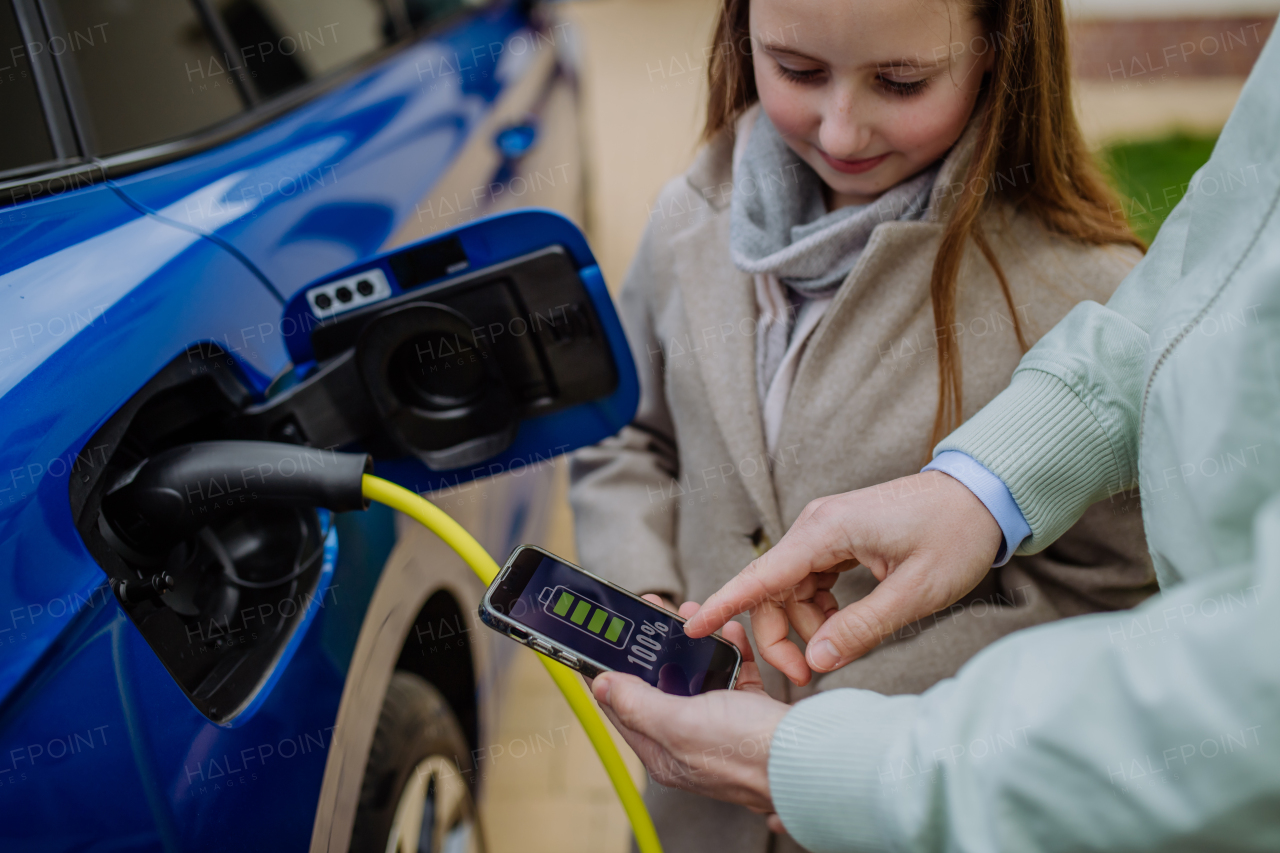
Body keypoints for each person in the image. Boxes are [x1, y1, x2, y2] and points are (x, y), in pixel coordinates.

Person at [588, 19, 1280, 853]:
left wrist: (877, 731)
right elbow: (629, 438)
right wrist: (637, 604)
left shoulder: (1080, 286)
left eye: (902, 83)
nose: (842, 128)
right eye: (797, 68)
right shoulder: (686, 219)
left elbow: (1126, 595)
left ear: (999, 46)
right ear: (742, 33)